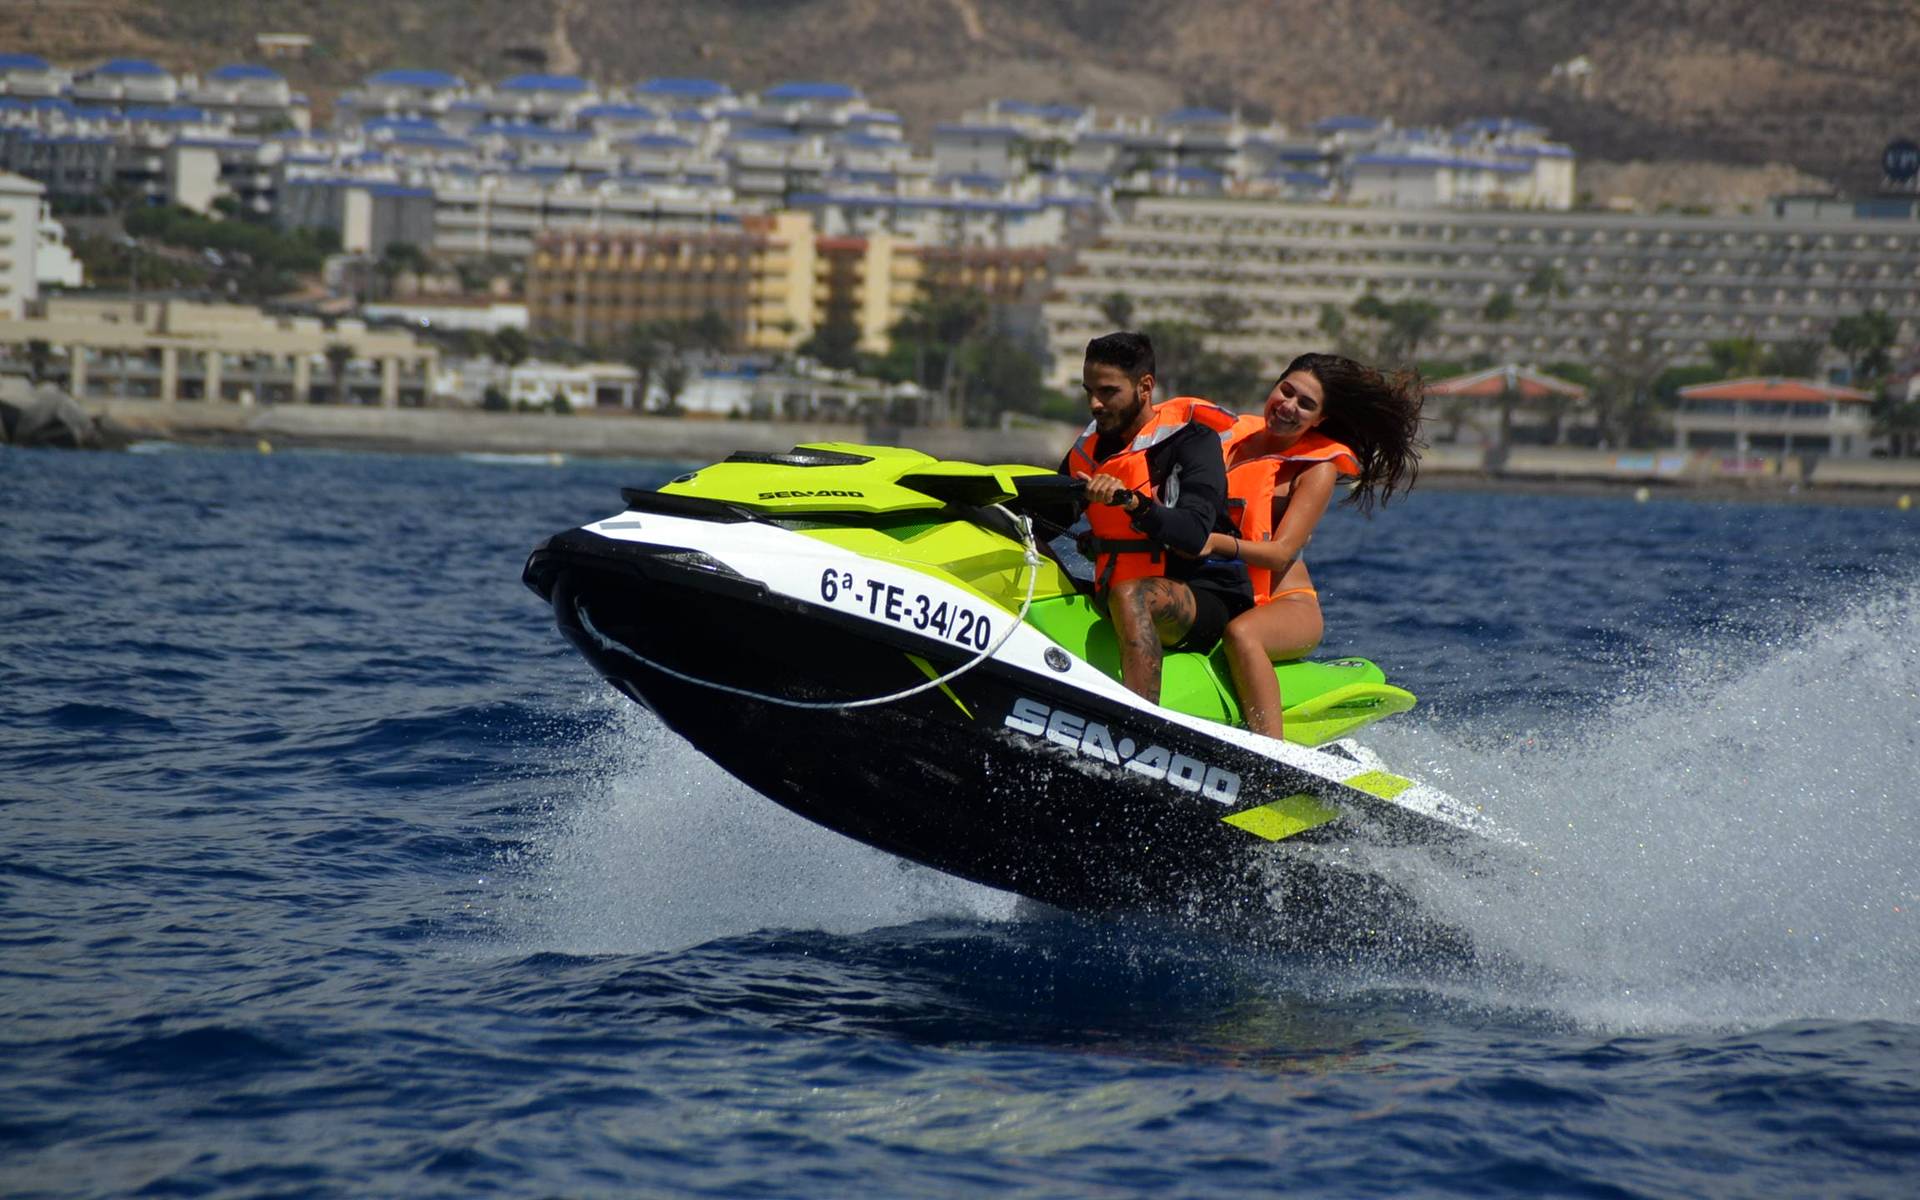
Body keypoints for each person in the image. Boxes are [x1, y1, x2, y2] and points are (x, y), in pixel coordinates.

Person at [1199, 353, 1423, 740]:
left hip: (1287, 604)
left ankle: (1271, 754)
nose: (1288, 406)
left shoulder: (1315, 469)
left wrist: (1213, 543)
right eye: (1286, 391)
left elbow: (1281, 553)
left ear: (1319, 420)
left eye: (1306, 404)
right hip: (1219, 590)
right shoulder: (1226, 442)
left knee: (1243, 635)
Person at [1062, 331, 1253, 703]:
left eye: (1108, 391)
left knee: (1131, 595)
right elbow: (1046, 514)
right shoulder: (1088, 450)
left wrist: (1133, 503)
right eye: (1089, 391)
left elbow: (1196, 532)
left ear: (1144, 387)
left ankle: (1139, 721)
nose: (1095, 404)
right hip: (1115, 589)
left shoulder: (1193, 441)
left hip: (1205, 596)